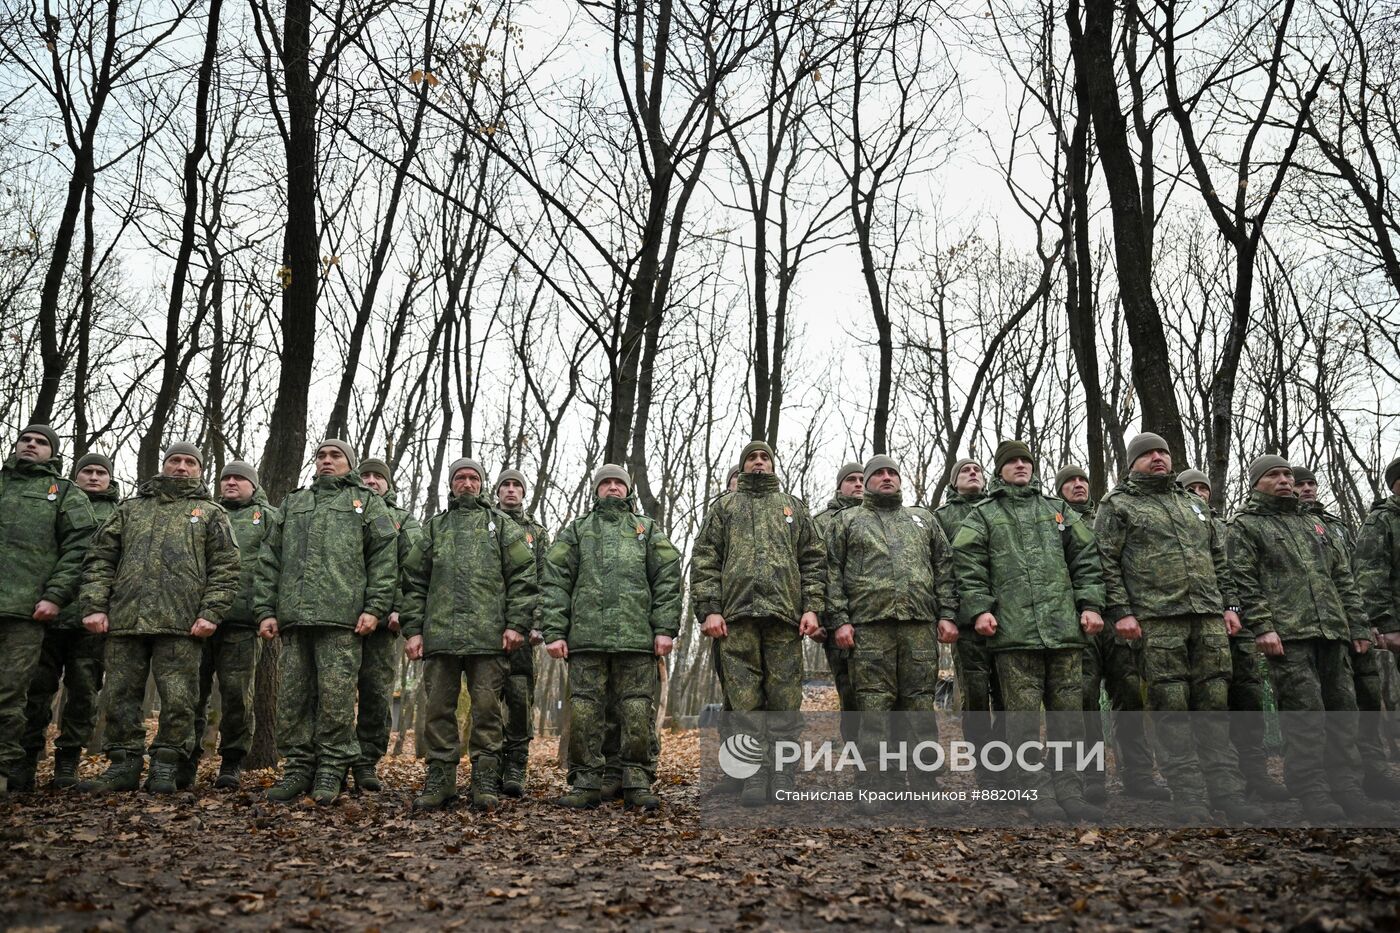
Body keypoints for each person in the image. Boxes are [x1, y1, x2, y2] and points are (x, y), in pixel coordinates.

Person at [1095, 432, 1263, 823]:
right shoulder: (1118, 505)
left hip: (1207, 619)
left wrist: (1230, 607)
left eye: (1163, 452)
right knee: (1171, 709)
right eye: (1148, 453)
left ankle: (1226, 790)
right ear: (1133, 461)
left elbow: (1219, 560)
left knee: (1214, 706)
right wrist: (1121, 612)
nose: (1157, 458)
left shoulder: (1193, 504)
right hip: (1157, 620)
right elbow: (1106, 562)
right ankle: (1188, 795)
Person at [76, 442, 240, 794]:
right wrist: (94, 605)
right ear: (164, 465)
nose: (181, 467)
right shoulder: (130, 510)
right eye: (174, 460)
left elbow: (226, 568)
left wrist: (211, 612)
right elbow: (100, 559)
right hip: (125, 620)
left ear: (200, 469)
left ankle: (166, 766)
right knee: (119, 696)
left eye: (189, 462)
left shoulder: (210, 513)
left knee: (180, 699)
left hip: (181, 625)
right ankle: (123, 765)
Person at [954, 441, 1105, 821]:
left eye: (1026, 460)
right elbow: (967, 565)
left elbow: (1085, 559)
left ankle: (1069, 790)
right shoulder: (984, 515)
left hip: (1065, 632)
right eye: (1012, 462)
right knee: (1021, 722)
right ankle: (1035, 791)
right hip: (1014, 635)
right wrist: (980, 611)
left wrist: (1090, 605)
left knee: (1067, 718)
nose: (1021, 466)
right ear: (1000, 470)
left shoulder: (1059, 511)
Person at [1226, 455, 1371, 821]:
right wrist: (1263, 626)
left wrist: (1356, 625)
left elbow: (1342, 578)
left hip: (1333, 632)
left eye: (1287, 474)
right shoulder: (1246, 525)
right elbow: (1244, 580)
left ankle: (1347, 787)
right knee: (1306, 716)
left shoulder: (1315, 523)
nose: (1285, 480)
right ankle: (1312, 790)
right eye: (1274, 475)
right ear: (1257, 481)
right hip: (1288, 635)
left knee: (1343, 712)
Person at [255, 439, 399, 805]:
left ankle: (332, 769)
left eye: (336, 456)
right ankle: (299, 768)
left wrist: (375, 608)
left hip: (342, 620)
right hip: (295, 619)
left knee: (335, 699)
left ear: (348, 464)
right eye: (321, 455)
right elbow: (270, 558)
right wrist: (266, 610)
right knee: (293, 699)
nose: (327, 461)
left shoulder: (367, 503)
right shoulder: (294, 502)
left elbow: (384, 560)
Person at [691, 440, 824, 806]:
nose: (759, 462)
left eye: (765, 457)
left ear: (773, 464)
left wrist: (812, 608)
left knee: (784, 702)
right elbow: (705, 560)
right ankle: (752, 775)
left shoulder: (793, 508)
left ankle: (782, 774)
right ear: (743, 465)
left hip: (785, 620)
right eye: (752, 458)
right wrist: (709, 610)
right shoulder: (724, 508)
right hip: (736, 620)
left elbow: (813, 560)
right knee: (745, 705)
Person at [401, 457, 536, 811]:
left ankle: (485, 779)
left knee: (488, 711)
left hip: (489, 639)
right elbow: (413, 582)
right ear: (451, 484)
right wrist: (413, 631)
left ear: (482, 484)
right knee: (437, 709)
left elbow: (524, 576)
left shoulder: (503, 527)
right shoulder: (434, 528)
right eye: (459, 477)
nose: (466, 483)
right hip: (440, 639)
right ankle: (440, 779)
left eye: (473, 478)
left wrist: (516, 624)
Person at [543, 464, 681, 810]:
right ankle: (587, 781)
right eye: (606, 483)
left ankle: (636, 780)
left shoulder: (647, 530)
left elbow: (668, 578)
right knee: (586, 712)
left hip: (637, 640)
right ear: (596, 490)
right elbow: (555, 581)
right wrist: (555, 631)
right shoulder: (576, 532)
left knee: (636, 711)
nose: (613, 488)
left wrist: (664, 628)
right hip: (585, 640)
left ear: (628, 489)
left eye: (619, 482)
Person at [826, 455, 956, 811]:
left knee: (919, 709)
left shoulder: (922, 520)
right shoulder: (847, 522)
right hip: (869, 629)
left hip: (919, 627)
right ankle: (876, 786)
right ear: (866, 482)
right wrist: (839, 620)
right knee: (873, 711)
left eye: (892, 473)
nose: (886, 478)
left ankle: (927, 786)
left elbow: (944, 567)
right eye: (878, 474)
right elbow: (831, 573)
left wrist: (946, 615)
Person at [1056, 464, 1168, 803]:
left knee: (1130, 697)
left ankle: (1138, 775)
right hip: (1080, 624)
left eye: (1082, 480)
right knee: (1084, 702)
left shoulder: (1113, 514)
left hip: (1119, 621)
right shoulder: (1054, 521)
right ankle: (1092, 778)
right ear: (1059, 489)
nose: (1078, 485)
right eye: (1070, 482)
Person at [1177, 467, 1289, 802]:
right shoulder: (1179, 527)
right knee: (1207, 703)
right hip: (1199, 622)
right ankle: (1213, 778)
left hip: (1237, 622)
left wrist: (1243, 613)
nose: (1199, 492)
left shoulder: (1229, 526)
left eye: (1204, 487)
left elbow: (1242, 573)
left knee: (1248, 697)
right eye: (1191, 488)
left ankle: (1255, 773)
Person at [0, 425, 96, 796]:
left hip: (26, 613)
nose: (31, 445)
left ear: (52, 453)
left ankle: (6, 772)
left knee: (9, 694)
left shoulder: (64, 493)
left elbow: (81, 548)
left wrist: (55, 596)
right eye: (26, 439)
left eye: (41, 443)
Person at [1294, 465, 1400, 798]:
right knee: (1322, 703)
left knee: (1366, 696)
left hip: (1351, 622)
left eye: (1312, 482)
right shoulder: (1287, 525)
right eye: (1300, 484)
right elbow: (1371, 571)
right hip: (1309, 625)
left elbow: (1353, 576)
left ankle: (1373, 770)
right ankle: (1329, 777)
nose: (1307, 488)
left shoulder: (1336, 525)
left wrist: (1367, 621)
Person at [16, 452, 118, 791]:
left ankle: (67, 762)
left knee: (84, 693)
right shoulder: (56, 504)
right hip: (48, 617)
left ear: (109, 478)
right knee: (37, 691)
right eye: (86, 471)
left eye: (99, 472)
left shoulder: (120, 513)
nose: (92, 477)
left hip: (92, 624)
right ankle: (26, 760)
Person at [189, 460, 279, 790]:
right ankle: (187, 759)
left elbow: (275, 566)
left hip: (242, 623)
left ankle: (231, 762)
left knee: (237, 697)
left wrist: (266, 611)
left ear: (253, 486)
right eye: (226, 477)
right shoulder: (206, 512)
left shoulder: (268, 517)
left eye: (239, 479)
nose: (231, 483)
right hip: (197, 623)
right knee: (190, 695)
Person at [352, 457, 421, 793]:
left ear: (387, 483)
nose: (370, 481)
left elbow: (414, 569)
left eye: (377, 476)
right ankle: (329, 762)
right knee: (329, 697)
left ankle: (366, 762)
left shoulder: (403, 520)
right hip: (339, 620)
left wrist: (398, 609)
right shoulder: (344, 512)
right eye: (364, 475)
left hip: (382, 626)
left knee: (376, 695)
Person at [935, 457, 1003, 789]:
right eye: (965, 470)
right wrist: (946, 614)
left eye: (977, 469)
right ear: (954, 481)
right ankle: (987, 773)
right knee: (976, 699)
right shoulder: (942, 518)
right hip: (966, 623)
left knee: (1008, 699)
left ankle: (1007, 768)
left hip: (1008, 621)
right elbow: (941, 571)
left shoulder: (998, 509)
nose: (973, 473)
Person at [494, 467, 549, 798]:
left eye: (517, 486)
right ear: (497, 491)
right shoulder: (487, 524)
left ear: (524, 493)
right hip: (487, 630)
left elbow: (545, 581)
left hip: (525, 636)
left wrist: (537, 623)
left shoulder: (537, 534)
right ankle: (490, 766)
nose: (511, 490)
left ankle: (516, 767)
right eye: (505, 485)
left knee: (519, 699)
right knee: (487, 703)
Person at [812, 462, 864, 735]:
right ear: (839, 485)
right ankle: (859, 762)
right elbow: (812, 570)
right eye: (851, 479)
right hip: (836, 623)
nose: (858, 484)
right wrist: (817, 618)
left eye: (862, 479)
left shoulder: (878, 516)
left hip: (874, 620)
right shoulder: (822, 522)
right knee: (851, 693)